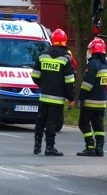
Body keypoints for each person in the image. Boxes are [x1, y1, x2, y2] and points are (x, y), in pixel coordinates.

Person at [31, 28, 75, 156]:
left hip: (43, 96)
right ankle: (49, 147)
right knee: (51, 122)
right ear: (64, 41)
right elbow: (69, 81)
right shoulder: (66, 59)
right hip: (57, 98)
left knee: (40, 120)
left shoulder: (43, 55)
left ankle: (37, 146)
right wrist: (71, 98)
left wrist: (43, 84)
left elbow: (34, 75)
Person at [76, 37, 107, 157]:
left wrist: (81, 97)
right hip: (101, 102)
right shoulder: (106, 65)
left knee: (83, 123)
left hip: (90, 102)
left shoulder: (92, 64)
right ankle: (99, 148)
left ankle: (90, 146)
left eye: (90, 50)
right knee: (98, 125)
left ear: (94, 51)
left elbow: (87, 84)